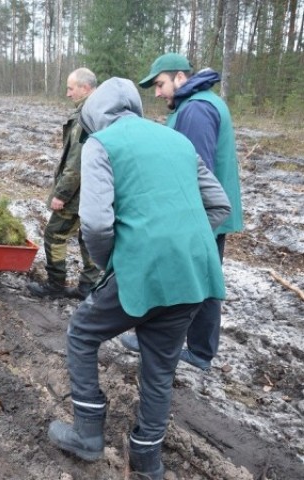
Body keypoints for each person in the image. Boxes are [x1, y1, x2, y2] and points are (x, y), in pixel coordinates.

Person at [46, 77, 231, 480]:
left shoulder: (101, 144)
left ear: (94, 115)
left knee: (81, 332)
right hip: (194, 274)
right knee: (160, 368)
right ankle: (148, 460)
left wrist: (117, 261)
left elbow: (95, 224)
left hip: (141, 268)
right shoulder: (177, 141)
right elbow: (219, 205)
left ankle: (88, 434)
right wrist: (184, 244)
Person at [119, 53, 244, 371]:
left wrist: (180, 218)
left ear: (179, 77)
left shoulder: (197, 110)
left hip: (201, 214)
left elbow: (194, 169)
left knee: (195, 278)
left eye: (160, 84)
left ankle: (195, 350)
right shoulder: (199, 102)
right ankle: (193, 347)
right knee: (200, 276)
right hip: (207, 213)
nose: (157, 93)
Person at [27, 67, 100, 300]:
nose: (68, 94)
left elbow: (77, 162)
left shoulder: (86, 117)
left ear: (85, 88)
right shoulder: (102, 111)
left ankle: (56, 285)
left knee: (54, 235)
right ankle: (89, 287)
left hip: (79, 193)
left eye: (71, 88)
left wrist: (61, 194)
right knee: (88, 236)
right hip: (98, 192)